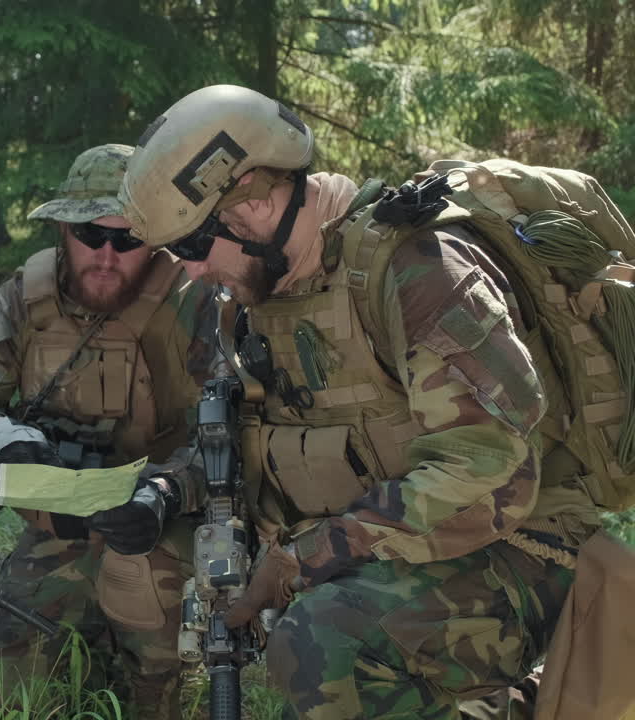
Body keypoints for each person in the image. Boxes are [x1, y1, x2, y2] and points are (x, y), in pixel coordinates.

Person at [119, 84, 604, 719]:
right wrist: (169, 490)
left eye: (192, 247)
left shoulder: (417, 271)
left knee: (323, 642)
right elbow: (239, 438)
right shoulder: (254, 298)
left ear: (258, 203)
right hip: (390, 548)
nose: (189, 272)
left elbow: (494, 477)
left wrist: (303, 560)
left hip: (525, 550)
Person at [0, 144, 209, 719]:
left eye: (126, 239)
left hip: (158, 531)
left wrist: (166, 492)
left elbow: (233, 441)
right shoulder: (28, 296)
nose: (106, 255)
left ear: (154, 241)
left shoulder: (195, 303)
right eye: (89, 236)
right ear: (62, 231)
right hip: (60, 531)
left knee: (154, 682)